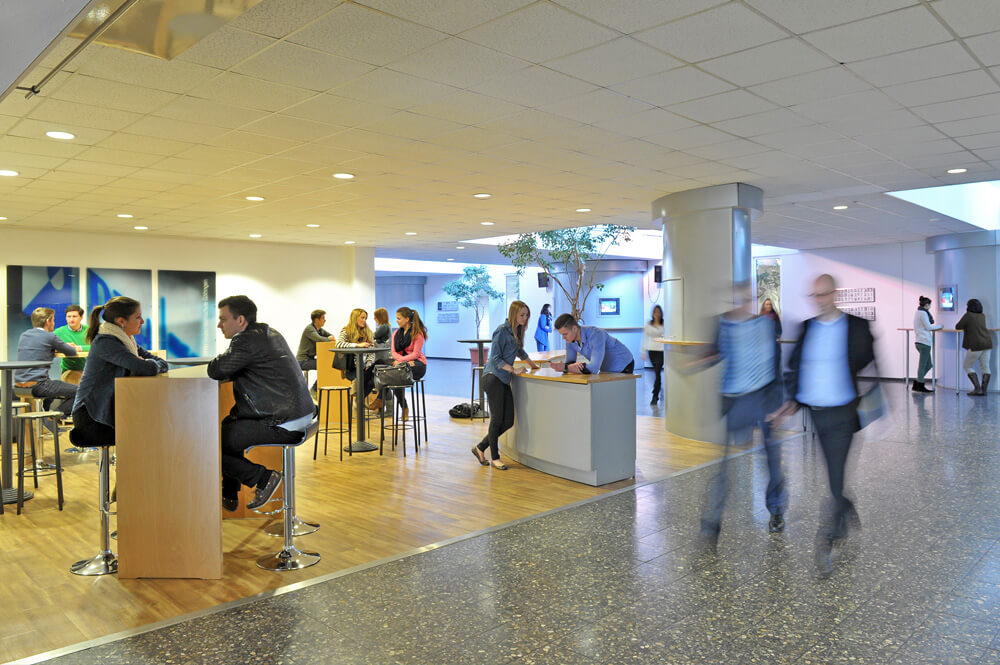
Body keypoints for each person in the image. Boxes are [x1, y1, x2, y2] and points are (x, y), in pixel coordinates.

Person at [770, 274, 875, 577]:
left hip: (842, 414)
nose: (819, 300)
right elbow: (794, 368)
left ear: (835, 294)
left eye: (824, 294)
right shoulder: (807, 328)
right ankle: (845, 508)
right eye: (815, 295)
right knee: (834, 476)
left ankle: (826, 541)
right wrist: (790, 403)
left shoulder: (856, 326)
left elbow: (868, 359)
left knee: (835, 479)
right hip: (816, 414)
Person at [699, 283, 787, 551]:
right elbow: (714, 354)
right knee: (725, 465)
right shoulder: (721, 325)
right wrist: (700, 361)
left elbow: (775, 364)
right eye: (736, 299)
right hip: (735, 400)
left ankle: (776, 511)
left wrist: (777, 406)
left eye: (746, 299)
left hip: (763, 398)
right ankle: (712, 522)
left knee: (772, 460)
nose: (740, 304)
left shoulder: (765, 325)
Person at [208, 296, 315, 512]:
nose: (219, 325)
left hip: (283, 421)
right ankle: (230, 493)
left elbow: (216, 369)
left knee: (211, 442)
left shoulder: (246, 340)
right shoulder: (268, 333)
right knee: (228, 427)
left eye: (223, 319)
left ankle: (262, 478)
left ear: (240, 320)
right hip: (301, 414)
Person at [70, 297, 168, 448]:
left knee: (154, 425)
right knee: (151, 430)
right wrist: (145, 363)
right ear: (121, 321)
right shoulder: (106, 342)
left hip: (108, 412)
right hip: (92, 418)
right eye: (138, 317)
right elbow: (147, 368)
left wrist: (146, 363)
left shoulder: (126, 341)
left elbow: (161, 363)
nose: (142, 321)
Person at [472, 301, 540, 470]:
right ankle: (495, 458)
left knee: (508, 421)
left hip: (503, 379)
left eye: (527, 315)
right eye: (522, 315)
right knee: (496, 419)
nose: (525, 318)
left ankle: (480, 447)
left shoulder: (517, 331)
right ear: (513, 314)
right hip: (492, 377)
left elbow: (520, 352)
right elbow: (495, 358)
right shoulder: (502, 330)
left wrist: (533, 366)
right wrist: (513, 369)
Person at [14, 307, 80, 424]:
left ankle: (45, 412)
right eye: (53, 320)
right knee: (81, 391)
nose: (54, 323)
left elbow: (39, 348)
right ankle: (56, 415)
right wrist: (64, 346)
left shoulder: (24, 335)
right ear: (48, 321)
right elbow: (71, 352)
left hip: (19, 386)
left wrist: (54, 347)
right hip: (38, 386)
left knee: (54, 385)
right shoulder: (50, 337)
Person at [550, 314, 634, 375]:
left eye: (565, 334)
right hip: (606, 369)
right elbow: (570, 363)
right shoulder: (570, 340)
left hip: (623, 365)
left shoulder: (596, 334)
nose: (563, 337)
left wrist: (565, 367)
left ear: (574, 328)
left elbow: (593, 369)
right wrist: (564, 366)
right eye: (561, 334)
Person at [390, 306, 428, 421]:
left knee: (398, 372)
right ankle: (404, 407)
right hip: (403, 363)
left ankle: (384, 401)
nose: (397, 321)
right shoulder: (396, 333)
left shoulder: (417, 333)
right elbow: (393, 352)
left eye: (399, 318)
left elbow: (416, 354)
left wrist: (401, 361)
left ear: (407, 319)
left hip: (418, 364)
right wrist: (403, 362)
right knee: (392, 374)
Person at [336, 308, 379, 407]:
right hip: (351, 369)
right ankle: (358, 397)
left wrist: (368, 364)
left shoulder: (368, 332)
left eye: (365, 318)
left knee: (377, 372)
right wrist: (357, 345)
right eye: (362, 318)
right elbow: (338, 344)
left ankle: (358, 398)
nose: (364, 320)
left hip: (365, 368)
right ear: (355, 318)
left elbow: (371, 352)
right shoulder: (346, 331)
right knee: (366, 378)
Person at [956, 298, 992, 396]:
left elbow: (958, 326)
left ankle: (978, 389)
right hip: (987, 343)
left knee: (967, 366)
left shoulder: (968, 315)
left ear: (969, 307)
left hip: (975, 344)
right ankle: (983, 391)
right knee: (985, 367)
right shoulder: (982, 315)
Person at [296, 309, 333, 393]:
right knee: (326, 366)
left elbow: (331, 336)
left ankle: (315, 390)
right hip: (303, 361)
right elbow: (320, 339)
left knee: (328, 365)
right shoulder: (309, 329)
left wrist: (330, 338)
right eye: (323, 318)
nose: (325, 320)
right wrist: (329, 338)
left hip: (309, 359)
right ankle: (314, 390)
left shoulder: (319, 330)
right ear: (317, 320)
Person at [53, 304, 90, 384]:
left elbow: (97, 346)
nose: (71, 319)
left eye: (74, 316)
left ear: (81, 317)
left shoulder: (89, 330)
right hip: (68, 370)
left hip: (87, 370)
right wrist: (63, 347)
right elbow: (49, 346)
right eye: (68, 316)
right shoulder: (59, 332)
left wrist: (79, 348)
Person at [912, 295, 941, 393]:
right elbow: (929, 327)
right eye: (930, 305)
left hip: (920, 341)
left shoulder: (918, 312)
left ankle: (917, 382)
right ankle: (920, 385)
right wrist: (940, 326)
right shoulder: (923, 313)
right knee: (923, 365)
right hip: (924, 342)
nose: (930, 307)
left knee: (928, 365)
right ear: (927, 305)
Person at [642, 305, 665, 405]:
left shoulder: (664, 324)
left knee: (657, 373)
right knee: (656, 373)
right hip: (651, 350)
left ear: (661, 313)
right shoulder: (648, 324)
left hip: (661, 350)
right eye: (655, 312)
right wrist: (643, 351)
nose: (657, 314)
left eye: (659, 312)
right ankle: (658, 388)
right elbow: (644, 338)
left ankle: (655, 396)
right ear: (653, 313)